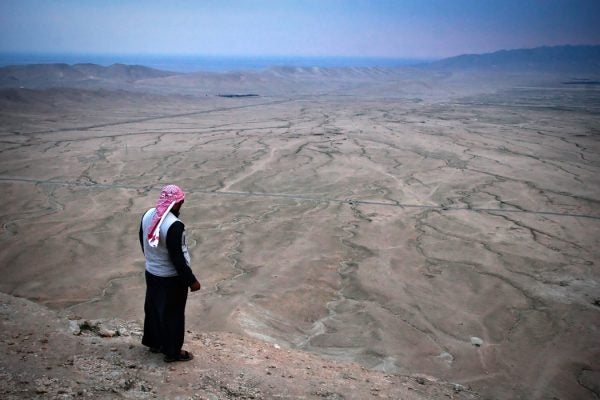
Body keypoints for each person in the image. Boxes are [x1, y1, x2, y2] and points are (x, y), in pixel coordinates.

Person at [138, 184, 201, 362]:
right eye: (180, 202)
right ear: (175, 203)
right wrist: (191, 281)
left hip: (152, 273)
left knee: (153, 308)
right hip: (170, 279)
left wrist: (151, 261)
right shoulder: (174, 225)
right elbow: (177, 258)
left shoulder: (148, 215)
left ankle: (154, 343)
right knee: (173, 314)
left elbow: (142, 239)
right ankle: (172, 352)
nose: (181, 206)